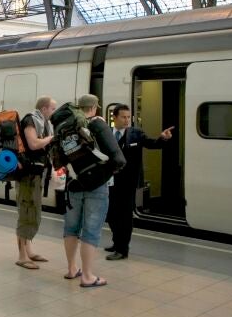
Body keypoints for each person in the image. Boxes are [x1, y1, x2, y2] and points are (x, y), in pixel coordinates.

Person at [62, 94, 125, 288]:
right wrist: (106, 172)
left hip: (73, 184)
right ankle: (87, 276)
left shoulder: (66, 127)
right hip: (96, 187)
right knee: (91, 231)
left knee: (71, 228)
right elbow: (119, 159)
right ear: (95, 107)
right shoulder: (98, 124)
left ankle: (72, 269)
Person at [105, 104, 173, 260]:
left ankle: (122, 249)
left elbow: (152, 144)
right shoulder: (107, 133)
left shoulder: (136, 133)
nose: (127, 120)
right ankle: (116, 242)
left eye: (129, 117)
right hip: (110, 181)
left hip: (128, 182)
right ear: (114, 117)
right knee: (111, 213)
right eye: (123, 117)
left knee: (124, 215)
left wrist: (163, 138)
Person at [14, 96, 57, 270]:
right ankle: (22, 256)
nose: (54, 112)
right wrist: (51, 138)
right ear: (44, 108)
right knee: (26, 213)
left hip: (36, 175)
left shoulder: (44, 123)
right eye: (53, 108)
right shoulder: (31, 120)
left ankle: (29, 251)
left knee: (33, 213)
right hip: (27, 176)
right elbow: (33, 144)